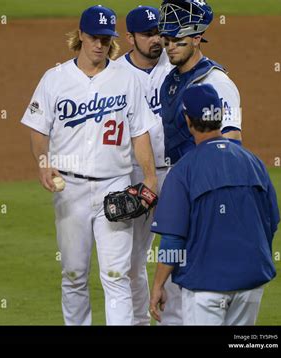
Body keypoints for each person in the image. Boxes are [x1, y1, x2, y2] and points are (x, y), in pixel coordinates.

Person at [21, 5, 158, 325]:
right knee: (73, 274)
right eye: (94, 37)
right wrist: (43, 163)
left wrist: (150, 178)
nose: (100, 44)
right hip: (70, 189)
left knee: (116, 274)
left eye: (106, 38)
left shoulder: (127, 79)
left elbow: (141, 133)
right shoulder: (54, 79)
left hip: (116, 186)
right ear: (80, 35)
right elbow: (38, 129)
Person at [149, 83, 279, 325]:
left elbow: (173, 241)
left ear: (188, 120)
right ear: (220, 116)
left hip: (205, 287)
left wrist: (158, 285)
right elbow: (270, 223)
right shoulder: (254, 162)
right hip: (250, 282)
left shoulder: (183, 171)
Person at [156, 0, 244, 324]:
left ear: (197, 39)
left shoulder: (217, 83)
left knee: (196, 285)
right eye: (166, 41)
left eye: (178, 41)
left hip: (203, 194)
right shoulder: (173, 79)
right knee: (177, 285)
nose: (169, 48)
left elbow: (231, 144)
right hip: (179, 187)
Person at [116, 5, 175, 326]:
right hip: (135, 177)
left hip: (176, 173)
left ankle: (177, 321)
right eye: (148, 34)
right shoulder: (116, 75)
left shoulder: (176, 64)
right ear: (130, 38)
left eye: (160, 33)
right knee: (133, 261)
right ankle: (139, 323)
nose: (157, 40)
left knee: (180, 254)